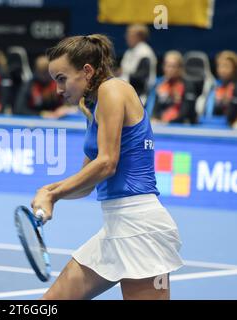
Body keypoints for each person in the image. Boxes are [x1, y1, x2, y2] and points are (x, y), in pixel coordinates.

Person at [31, 34, 183, 300]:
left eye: (62, 78)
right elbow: (86, 184)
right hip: (114, 228)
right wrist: (49, 189)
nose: (57, 89)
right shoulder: (92, 107)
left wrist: (53, 194)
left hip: (141, 229)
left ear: (87, 71)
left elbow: (107, 164)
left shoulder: (112, 90)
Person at [119, 24, 157, 104]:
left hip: (140, 96)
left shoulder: (145, 52)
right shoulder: (129, 52)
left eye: (129, 35)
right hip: (125, 91)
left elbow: (142, 78)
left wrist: (123, 74)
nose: (126, 37)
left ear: (139, 37)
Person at [151, 51, 185, 123]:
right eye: (167, 65)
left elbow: (185, 112)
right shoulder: (160, 85)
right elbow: (155, 108)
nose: (170, 69)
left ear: (180, 68)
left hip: (179, 126)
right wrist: (155, 118)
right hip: (160, 124)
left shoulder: (186, 85)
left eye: (173, 66)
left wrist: (169, 121)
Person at [213, 50, 237, 128]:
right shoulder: (214, 86)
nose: (222, 70)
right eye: (220, 66)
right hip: (216, 124)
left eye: (226, 66)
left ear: (234, 68)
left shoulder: (235, 87)